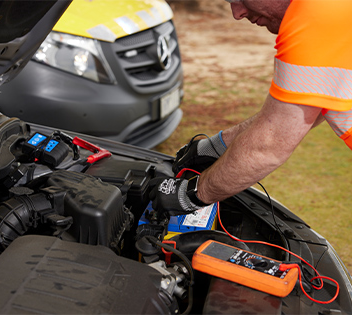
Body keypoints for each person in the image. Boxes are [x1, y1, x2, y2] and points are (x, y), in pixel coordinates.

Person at [149, 0, 352, 215]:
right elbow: (306, 108)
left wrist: (191, 194)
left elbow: (270, 143)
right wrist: (213, 147)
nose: (237, 13)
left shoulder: (315, 18)